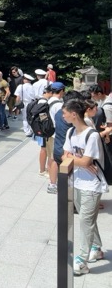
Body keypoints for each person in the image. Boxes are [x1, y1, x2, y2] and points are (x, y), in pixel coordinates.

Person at [62, 99, 108, 275]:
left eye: (65, 112)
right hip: (77, 182)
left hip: (92, 184)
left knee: (85, 221)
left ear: (74, 114)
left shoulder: (92, 135)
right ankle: (96, 247)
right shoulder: (70, 132)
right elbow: (64, 154)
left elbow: (87, 160)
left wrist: (77, 159)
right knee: (87, 218)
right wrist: (79, 160)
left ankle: (81, 259)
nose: (63, 115)